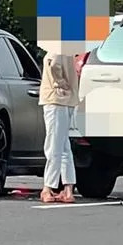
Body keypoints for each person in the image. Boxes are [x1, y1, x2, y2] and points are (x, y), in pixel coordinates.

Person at [38, 52, 79, 203]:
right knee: (63, 147)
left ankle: (48, 188)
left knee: (53, 146)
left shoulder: (56, 47)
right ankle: (68, 189)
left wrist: (59, 83)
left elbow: (54, 64)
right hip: (67, 100)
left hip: (55, 99)